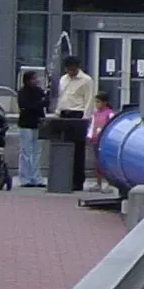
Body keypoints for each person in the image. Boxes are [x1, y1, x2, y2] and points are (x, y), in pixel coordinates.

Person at [55, 56, 95, 191]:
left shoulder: (86, 80)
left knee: (78, 150)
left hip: (77, 113)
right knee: (63, 146)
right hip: (64, 113)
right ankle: (63, 178)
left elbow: (89, 99)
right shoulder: (63, 79)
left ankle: (77, 181)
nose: (70, 72)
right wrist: (57, 112)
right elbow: (62, 96)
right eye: (67, 69)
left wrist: (86, 118)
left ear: (77, 67)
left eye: (72, 69)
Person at [16, 71, 46, 187]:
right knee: (26, 152)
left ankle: (36, 178)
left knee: (37, 152)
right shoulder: (23, 92)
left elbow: (45, 103)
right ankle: (25, 178)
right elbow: (25, 106)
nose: (36, 80)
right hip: (26, 124)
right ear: (28, 80)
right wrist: (39, 104)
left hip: (37, 123)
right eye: (34, 79)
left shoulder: (39, 91)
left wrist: (37, 105)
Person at [86, 92, 115, 191]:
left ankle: (107, 183)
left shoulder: (110, 114)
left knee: (105, 163)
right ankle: (98, 183)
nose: (96, 104)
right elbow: (92, 126)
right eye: (96, 102)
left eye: (98, 102)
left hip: (105, 141)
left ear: (105, 103)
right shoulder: (95, 114)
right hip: (96, 140)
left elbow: (112, 127)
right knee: (97, 163)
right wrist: (90, 136)